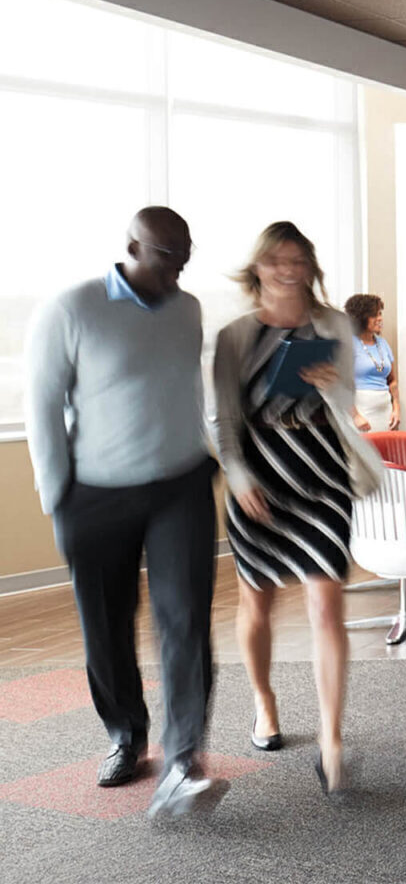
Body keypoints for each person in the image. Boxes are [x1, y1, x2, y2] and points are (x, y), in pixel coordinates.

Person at [24, 206, 224, 817]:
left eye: (187, 255)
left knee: (186, 619)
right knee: (106, 628)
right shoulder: (71, 309)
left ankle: (184, 754)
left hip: (180, 486)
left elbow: (185, 391)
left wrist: (208, 452)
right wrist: (57, 497)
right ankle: (126, 735)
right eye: (169, 256)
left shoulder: (188, 309)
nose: (180, 268)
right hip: (97, 495)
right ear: (132, 246)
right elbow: (40, 402)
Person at [213, 221, 383, 795]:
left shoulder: (332, 324)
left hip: (322, 475)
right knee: (256, 605)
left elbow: (342, 404)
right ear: (257, 267)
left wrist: (334, 384)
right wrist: (236, 477)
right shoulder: (235, 335)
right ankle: (264, 702)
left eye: (298, 258)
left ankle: (332, 740)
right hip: (260, 478)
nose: (287, 268)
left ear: (310, 266)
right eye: (275, 259)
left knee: (325, 607)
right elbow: (223, 418)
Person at [344, 293, 399, 432]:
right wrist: (355, 416)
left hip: (385, 412)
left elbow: (392, 382)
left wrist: (396, 409)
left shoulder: (383, 344)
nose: (380, 319)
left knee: (384, 453)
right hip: (361, 412)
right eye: (374, 315)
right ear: (360, 319)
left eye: (380, 314)